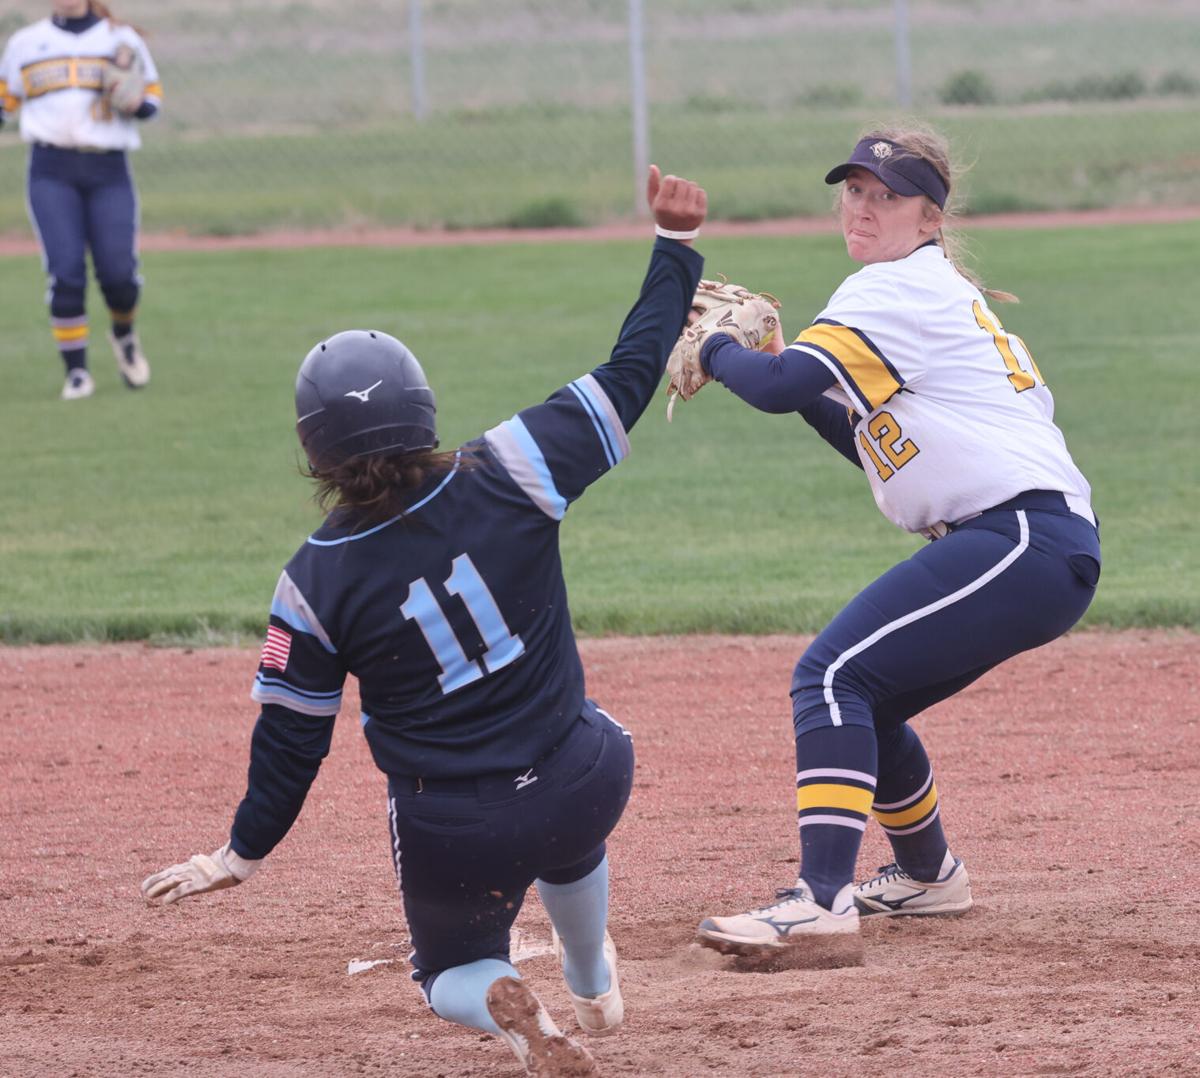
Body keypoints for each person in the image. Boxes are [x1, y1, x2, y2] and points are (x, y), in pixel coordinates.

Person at [139, 167, 708, 1075]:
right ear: (422, 406)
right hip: (586, 776)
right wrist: (674, 250)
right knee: (572, 810)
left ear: (313, 449)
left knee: (445, 967)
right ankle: (594, 980)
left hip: (457, 827)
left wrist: (239, 854)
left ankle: (499, 996)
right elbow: (631, 374)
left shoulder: (313, 581)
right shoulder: (513, 468)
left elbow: (292, 742)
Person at [693, 125, 1101, 966]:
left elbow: (775, 390)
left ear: (928, 217)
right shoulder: (928, 293)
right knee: (868, 699)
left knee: (831, 675)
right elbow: (870, 439)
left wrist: (718, 349)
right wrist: (768, 360)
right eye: (854, 190)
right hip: (1032, 543)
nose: (864, 207)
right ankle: (926, 875)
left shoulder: (892, 290)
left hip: (1017, 536)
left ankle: (820, 902)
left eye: (886, 195)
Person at [0, 0, 162, 400]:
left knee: (119, 275)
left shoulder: (119, 38)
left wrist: (133, 100)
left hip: (108, 170)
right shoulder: (26, 42)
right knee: (66, 270)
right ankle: (77, 373)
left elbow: (152, 101)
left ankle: (123, 334)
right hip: (51, 170)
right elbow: (6, 102)